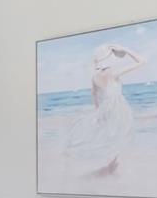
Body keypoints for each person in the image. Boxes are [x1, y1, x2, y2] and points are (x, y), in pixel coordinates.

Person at [62, 43, 145, 176]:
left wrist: (98, 111)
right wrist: (126, 49)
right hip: (119, 106)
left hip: (105, 106)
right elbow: (142, 61)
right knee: (121, 135)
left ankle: (111, 166)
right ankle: (112, 167)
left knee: (109, 135)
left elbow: (94, 94)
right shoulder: (113, 73)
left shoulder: (95, 77)